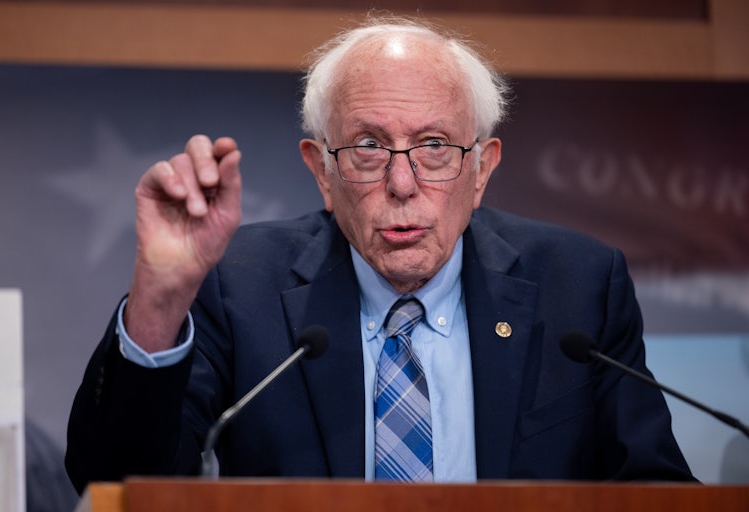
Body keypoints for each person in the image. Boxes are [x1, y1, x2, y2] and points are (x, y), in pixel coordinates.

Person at [65, 17, 695, 492]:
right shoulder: (239, 284)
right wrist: (159, 301)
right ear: (322, 172)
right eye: (369, 146)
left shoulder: (579, 286)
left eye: (435, 146)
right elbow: (117, 484)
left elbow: (657, 495)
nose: (402, 183)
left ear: (481, 170)